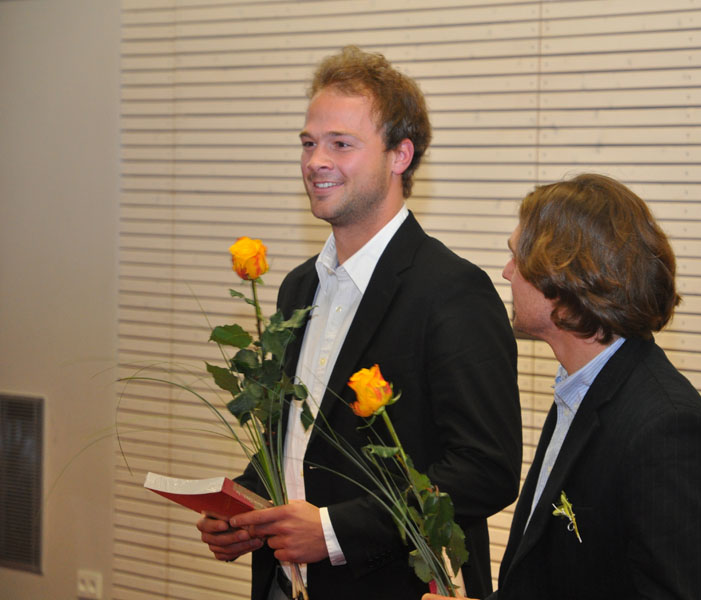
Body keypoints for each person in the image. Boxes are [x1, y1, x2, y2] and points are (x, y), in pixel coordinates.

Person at [196, 45, 522, 600]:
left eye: (340, 144)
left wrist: (333, 532)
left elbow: (484, 470)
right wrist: (245, 508)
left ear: (400, 155)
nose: (315, 161)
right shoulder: (299, 287)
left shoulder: (453, 292)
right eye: (308, 143)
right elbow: (298, 441)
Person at [425, 173, 701, 600]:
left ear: (563, 276)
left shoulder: (669, 431)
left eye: (517, 257)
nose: (506, 272)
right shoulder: (582, 390)